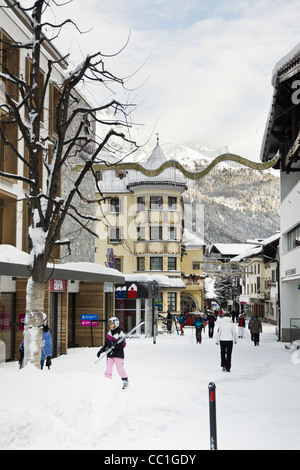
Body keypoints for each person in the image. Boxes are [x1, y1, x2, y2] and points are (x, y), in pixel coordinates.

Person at [97, 317, 129, 389]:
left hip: (118, 355)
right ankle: (107, 384)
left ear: (116, 324)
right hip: (110, 354)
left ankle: (125, 381)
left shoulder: (120, 333)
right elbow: (106, 345)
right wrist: (101, 350)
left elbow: (123, 345)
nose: (110, 325)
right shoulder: (109, 334)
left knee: (120, 369)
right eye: (109, 324)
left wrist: (115, 346)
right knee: (108, 370)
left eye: (111, 324)